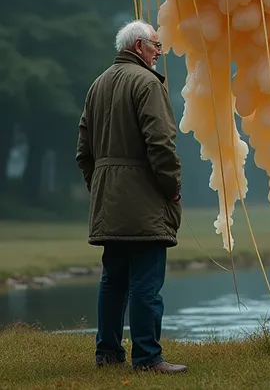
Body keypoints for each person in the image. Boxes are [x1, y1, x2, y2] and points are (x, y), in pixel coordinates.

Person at [76, 19, 186, 374]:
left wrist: (102, 187)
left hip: (109, 200)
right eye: (156, 46)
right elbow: (161, 143)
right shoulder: (147, 83)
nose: (158, 53)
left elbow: (83, 152)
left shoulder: (97, 85)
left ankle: (107, 353)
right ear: (139, 46)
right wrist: (172, 187)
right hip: (144, 199)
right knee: (146, 282)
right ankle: (148, 358)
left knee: (113, 280)